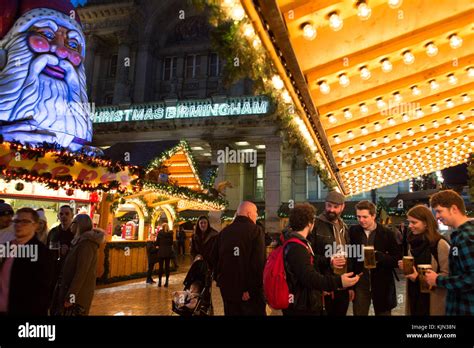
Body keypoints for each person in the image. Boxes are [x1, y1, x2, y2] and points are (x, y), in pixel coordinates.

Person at [283, 203, 360, 316]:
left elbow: (312, 261)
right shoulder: (297, 247)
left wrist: (329, 261)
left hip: (304, 301)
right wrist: (338, 282)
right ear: (310, 224)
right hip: (300, 305)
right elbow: (309, 277)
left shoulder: (299, 242)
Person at [425, 190, 474, 315]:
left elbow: (471, 278)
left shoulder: (465, 236)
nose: (436, 216)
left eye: (439, 211)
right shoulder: (462, 234)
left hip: (466, 307)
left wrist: (438, 280)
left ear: (454, 208)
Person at [350, 200, 401, 316]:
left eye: (365, 217)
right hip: (360, 283)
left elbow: (397, 259)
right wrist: (351, 286)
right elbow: (351, 259)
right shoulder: (353, 231)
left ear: (373, 216)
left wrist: (381, 257)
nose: (361, 220)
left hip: (382, 283)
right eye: (358, 216)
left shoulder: (387, 233)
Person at [214, 201, 266, 316]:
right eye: (255, 212)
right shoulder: (256, 231)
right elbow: (258, 264)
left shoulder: (224, 232)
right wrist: (250, 289)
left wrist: (220, 280)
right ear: (248, 214)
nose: (256, 215)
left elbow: (214, 259)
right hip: (248, 294)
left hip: (228, 290)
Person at [398, 205, 449, 315]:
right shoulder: (413, 243)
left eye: (414, 222)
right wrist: (407, 268)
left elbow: (448, 275)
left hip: (432, 300)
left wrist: (418, 278)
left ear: (426, 223)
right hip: (414, 296)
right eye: (409, 222)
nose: (410, 226)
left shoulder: (440, 244)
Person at [0, 208, 52, 315]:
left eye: (25, 222)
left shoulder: (41, 253)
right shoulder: (5, 248)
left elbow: (43, 292)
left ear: (36, 226)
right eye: (16, 221)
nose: (19, 225)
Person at [310, 191, 353, 316]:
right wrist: (320, 285)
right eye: (329, 205)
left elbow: (349, 255)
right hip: (326, 285)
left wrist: (350, 287)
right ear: (325, 205)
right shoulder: (315, 224)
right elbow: (310, 257)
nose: (331, 210)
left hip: (343, 284)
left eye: (335, 207)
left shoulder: (344, 227)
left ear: (342, 207)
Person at [53, 214, 105, 316]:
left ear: (78, 225)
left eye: (73, 223)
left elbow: (81, 272)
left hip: (78, 297)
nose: (71, 226)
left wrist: (71, 297)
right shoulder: (80, 241)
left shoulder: (87, 244)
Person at [156, 223, 174, 287]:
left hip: (161, 252)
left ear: (162, 227)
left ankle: (159, 282)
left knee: (160, 267)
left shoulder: (159, 234)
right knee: (167, 267)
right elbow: (171, 243)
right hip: (168, 252)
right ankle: (166, 282)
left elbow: (157, 243)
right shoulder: (170, 234)